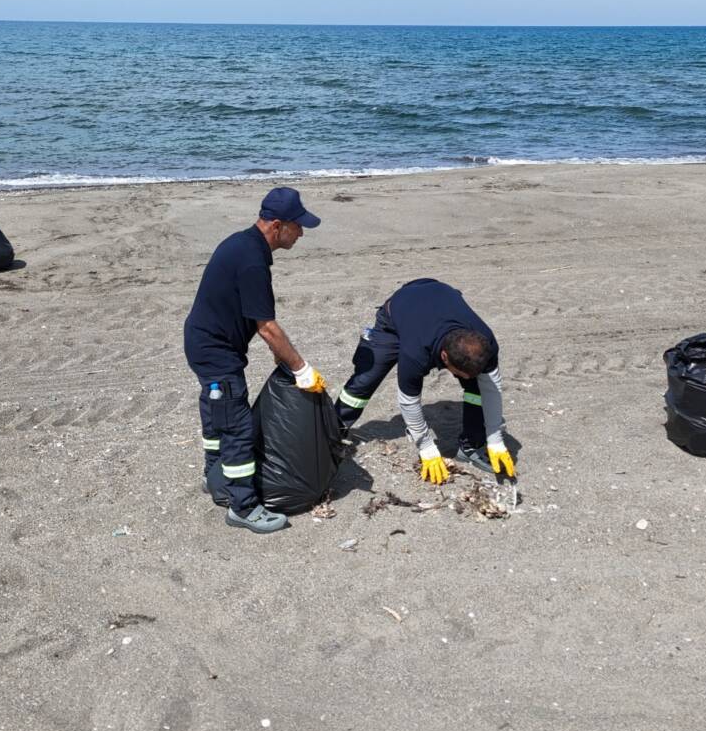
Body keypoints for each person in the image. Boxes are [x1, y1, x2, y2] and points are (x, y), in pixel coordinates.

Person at [184, 186, 327, 534]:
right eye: (297, 226)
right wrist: (301, 369)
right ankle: (243, 507)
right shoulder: (251, 261)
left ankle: (215, 479)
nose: (302, 233)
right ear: (277, 225)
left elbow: (257, 322)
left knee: (217, 413)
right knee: (237, 426)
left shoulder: (244, 244)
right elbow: (267, 329)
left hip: (206, 343)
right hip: (215, 350)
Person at [333, 278, 516, 486]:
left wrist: (495, 439)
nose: (467, 378)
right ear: (444, 357)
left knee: (477, 387)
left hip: (439, 297)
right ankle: (332, 431)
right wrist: (426, 447)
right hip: (397, 314)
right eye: (462, 374)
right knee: (367, 377)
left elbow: (491, 389)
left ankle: (471, 446)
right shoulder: (416, 354)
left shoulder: (486, 343)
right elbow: (408, 400)